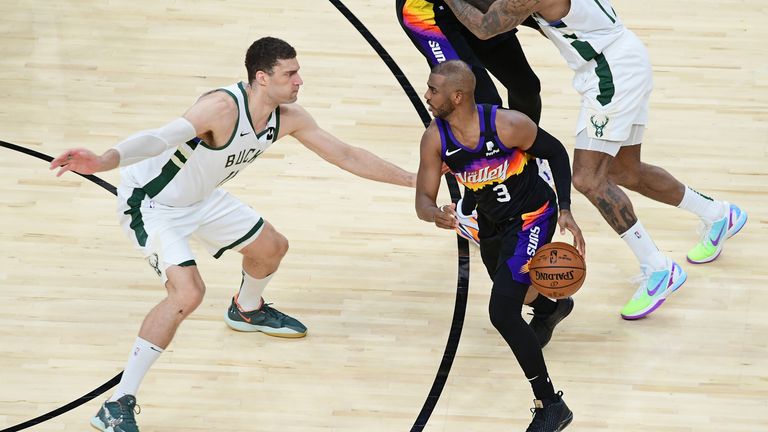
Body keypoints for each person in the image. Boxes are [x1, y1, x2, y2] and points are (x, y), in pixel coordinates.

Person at [49, 37, 415, 432]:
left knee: (272, 247)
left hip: (202, 197)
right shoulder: (221, 108)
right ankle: (117, 403)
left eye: (298, 72)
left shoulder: (287, 117)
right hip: (153, 203)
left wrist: (416, 181)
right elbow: (157, 138)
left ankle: (247, 308)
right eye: (290, 74)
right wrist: (105, 159)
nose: (299, 81)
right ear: (262, 77)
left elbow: (346, 154)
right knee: (188, 293)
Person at [441, 0, 748, 319]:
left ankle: (658, 268)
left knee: (588, 179)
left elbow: (484, 27)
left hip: (610, 75)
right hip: (624, 60)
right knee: (626, 171)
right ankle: (718, 214)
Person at [415, 60, 584, 431]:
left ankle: (551, 405)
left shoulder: (508, 125)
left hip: (533, 216)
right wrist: (435, 214)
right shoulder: (435, 138)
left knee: (502, 312)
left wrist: (567, 208)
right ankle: (550, 309)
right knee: (513, 292)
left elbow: (555, 152)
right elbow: (422, 200)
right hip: (492, 223)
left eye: (433, 89)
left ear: (457, 97)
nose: (427, 95)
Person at [397, 0, 550, 247]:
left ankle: (526, 156)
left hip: (472, 4)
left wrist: (549, 21)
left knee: (526, 86)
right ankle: (470, 209)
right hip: (426, 12)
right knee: (483, 104)